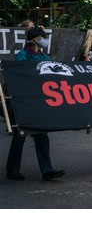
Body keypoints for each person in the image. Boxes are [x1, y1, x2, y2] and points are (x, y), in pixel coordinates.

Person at [6, 27, 65, 181]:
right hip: (25, 101)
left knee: (42, 135)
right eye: (43, 37)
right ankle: (12, 170)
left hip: (40, 101)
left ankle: (47, 170)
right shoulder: (22, 56)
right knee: (20, 135)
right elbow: (19, 78)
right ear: (35, 39)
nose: (46, 39)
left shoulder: (45, 56)